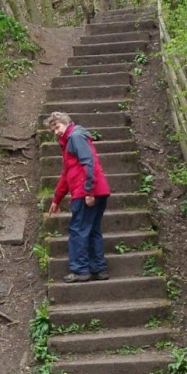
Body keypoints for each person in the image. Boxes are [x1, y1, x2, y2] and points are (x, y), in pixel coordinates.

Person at [45, 111, 111, 283]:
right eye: (52, 130)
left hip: (86, 192)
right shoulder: (71, 141)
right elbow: (67, 173)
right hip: (97, 190)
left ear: (65, 123)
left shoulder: (74, 138)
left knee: (78, 230)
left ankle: (81, 270)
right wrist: (57, 199)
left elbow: (88, 163)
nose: (56, 132)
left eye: (57, 127)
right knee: (93, 229)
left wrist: (88, 192)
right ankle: (99, 268)